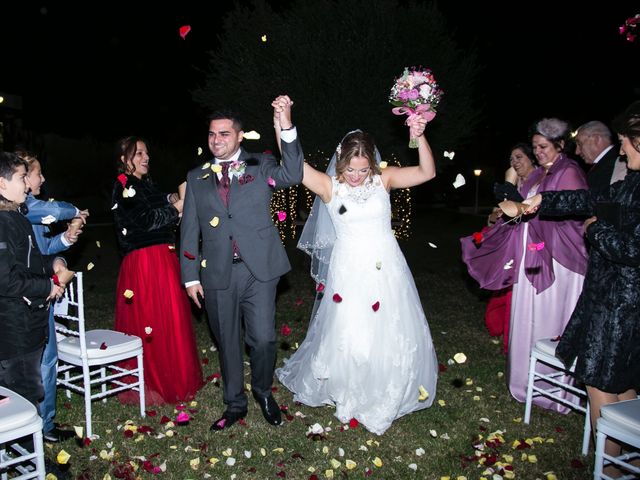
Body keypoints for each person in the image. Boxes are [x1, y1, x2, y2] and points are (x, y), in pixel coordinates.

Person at [275, 104, 439, 435]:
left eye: (363, 170)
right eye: (351, 169)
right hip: (348, 270)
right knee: (350, 330)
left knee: (389, 328)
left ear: (372, 164)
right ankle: (348, 389)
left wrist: (419, 137)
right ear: (340, 161)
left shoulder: (385, 179)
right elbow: (293, 162)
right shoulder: (328, 185)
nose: (356, 176)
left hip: (386, 268)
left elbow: (427, 173)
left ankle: (385, 385)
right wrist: (283, 122)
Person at [524, 104, 640, 477]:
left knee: (599, 380)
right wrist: (544, 200)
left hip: (621, 304)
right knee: (619, 383)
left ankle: (609, 468)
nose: (622, 151)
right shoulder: (634, 182)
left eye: (626, 144)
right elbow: (595, 199)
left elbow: (633, 250)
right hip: (611, 296)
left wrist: (595, 231)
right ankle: (630, 460)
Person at [180, 98, 304, 431]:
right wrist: (190, 277)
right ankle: (235, 403)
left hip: (258, 269)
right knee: (227, 341)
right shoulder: (196, 177)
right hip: (217, 272)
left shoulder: (260, 165)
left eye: (223, 134)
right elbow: (189, 230)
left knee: (262, 338)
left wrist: (287, 125)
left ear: (239, 137)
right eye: (211, 135)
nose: (216, 140)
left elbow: (292, 173)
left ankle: (263, 391)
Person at [460, 118, 588, 410]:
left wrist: (533, 213)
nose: (538, 152)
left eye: (543, 147)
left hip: (558, 261)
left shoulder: (569, 172)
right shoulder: (538, 176)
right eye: (535, 147)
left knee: (549, 318)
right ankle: (525, 382)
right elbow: (522, 206)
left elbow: (574, 214)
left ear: (560, 145)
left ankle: (554, 390)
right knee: (528, 315)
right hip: (531, 253)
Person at [112, 136, 202, 405]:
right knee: (152, 321)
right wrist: (176, 208)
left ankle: (174, 376)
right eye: (138, 153)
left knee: (169, 319)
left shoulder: (142, 184)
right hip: (144, 265)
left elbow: (155, 200)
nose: (145, 157)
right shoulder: (123, 185)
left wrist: (173, 198)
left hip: (163, 259)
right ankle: (153, 382)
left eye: (146, 152)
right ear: (124, 159)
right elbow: (145, 220)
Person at [16, 150, 88, 442]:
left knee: (48, 359)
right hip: (21, 295)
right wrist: (74, 212)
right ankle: (22, 426)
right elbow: (55, 210)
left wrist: (66, 239)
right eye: (37, 173)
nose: (42, 179)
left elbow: (46, 249)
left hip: (42, 292)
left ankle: (44, 425)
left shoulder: (32, 209)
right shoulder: (22, 206)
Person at [0, 151, 67, 409]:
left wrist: (54, 264)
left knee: (30, 392)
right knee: (21, 400)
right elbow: (6, 281)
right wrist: (47, 286)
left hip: (28, 325)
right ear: (2, 183)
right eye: (21, 178)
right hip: (15, 330)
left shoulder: (17, 217)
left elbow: (32, 262)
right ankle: (24, 447)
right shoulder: (3, 222)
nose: (27, 184)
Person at [484, 144, 537, 354]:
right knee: (507, 291)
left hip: (534, 246)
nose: (514, 162)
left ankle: (518, 338)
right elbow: (500, 216)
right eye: (511, 159)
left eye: (519, 157)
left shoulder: (538, 183)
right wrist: (494, 217)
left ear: (531, 158)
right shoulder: (515, 184)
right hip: (512, 245)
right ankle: (509, 333)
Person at [574, 121, 627, 191]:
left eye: (580, 144)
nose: (576, 152)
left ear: (596, 139)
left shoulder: (615, 164)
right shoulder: (608, 162)